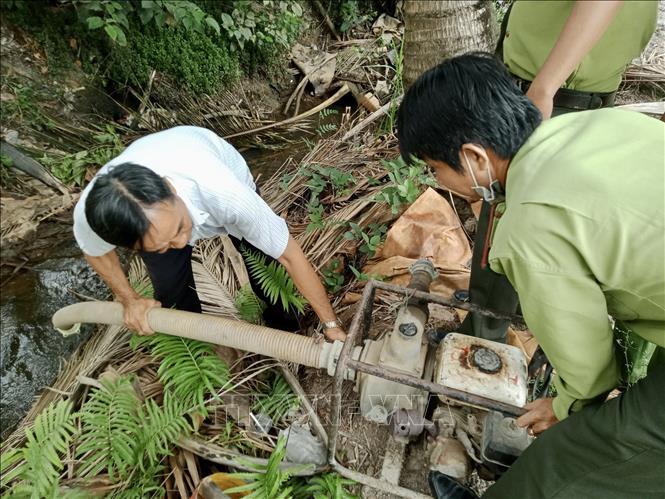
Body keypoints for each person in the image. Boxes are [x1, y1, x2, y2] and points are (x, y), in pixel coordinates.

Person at [397, 53, 664, 498]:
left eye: (435, 169)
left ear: (474, 157)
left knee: (576, 454)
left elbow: (591, 371)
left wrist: (563, 406)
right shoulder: (601, 124)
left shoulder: (530, 226)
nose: (439, 181)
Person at [461, 0, 659, 344]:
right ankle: (523, 318)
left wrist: (543, 88)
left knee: (515, 214)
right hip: (556, 81)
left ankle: (482, 340)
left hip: (552, 91)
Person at [73, 126, 346, 341]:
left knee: (264, 269)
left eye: (180, 228)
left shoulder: (228, 195)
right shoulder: (96, 214)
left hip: (206, 158)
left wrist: (331, 325)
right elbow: (94, 251)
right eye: (162, 245)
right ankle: (203, 348)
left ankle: (286, 327)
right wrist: (129, 300)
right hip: (158, 200)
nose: (181, 243)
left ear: (171, 188)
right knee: (171, 293)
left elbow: (290, 256)